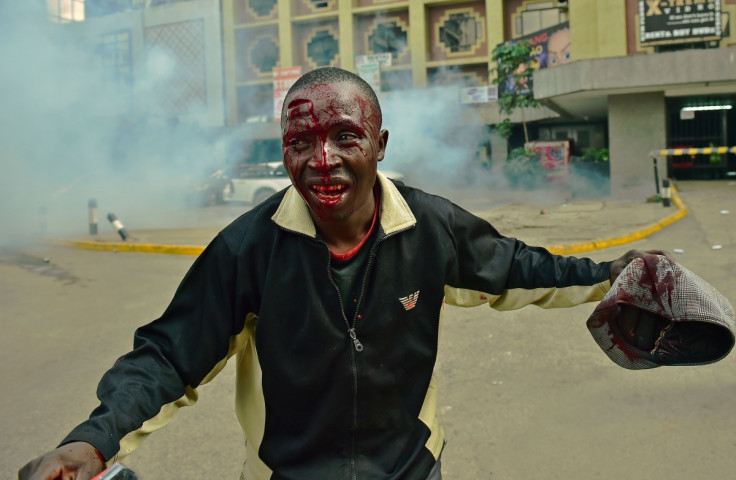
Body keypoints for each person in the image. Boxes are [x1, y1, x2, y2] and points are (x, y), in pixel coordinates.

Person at [19, 67, 660, 480]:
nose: (321, 161)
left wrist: (612, 273)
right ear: (283, 151)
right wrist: (95, 440)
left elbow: (519, 269)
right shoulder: (248, 250)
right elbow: (167, 358)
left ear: (380, 144)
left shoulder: (430, 228)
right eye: (301, 142)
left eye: (345, 136)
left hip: (410, 471)